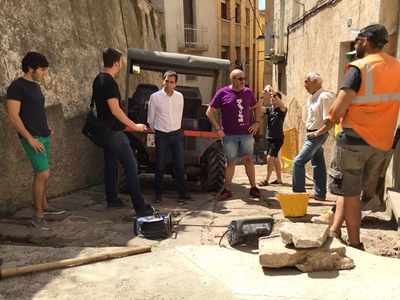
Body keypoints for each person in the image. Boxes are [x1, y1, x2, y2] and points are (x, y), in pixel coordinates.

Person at [325, 24, 400, 250]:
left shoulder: (359, 68)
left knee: (350, 195)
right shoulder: (397, 67)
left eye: (357, 40)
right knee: (350, 190)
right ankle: (334, 230)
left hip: (353, 142)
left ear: (365, 41)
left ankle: (356, 243)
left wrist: (333, 118)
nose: (355, 44)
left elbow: (338, 109)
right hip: (381, 144)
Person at [92, 47, 154, 215]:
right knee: (131, 165)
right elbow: (115, 110)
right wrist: (135, 126)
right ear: (117, 62)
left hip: (104, 131)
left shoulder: (98, 79)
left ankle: (112, 200)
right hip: (114, 132)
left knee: (111, 166)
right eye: (121, 61)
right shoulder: (110, 82)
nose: (121, 64)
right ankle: (140, 207)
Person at [7, 51, 65, 230]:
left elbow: (38, 109)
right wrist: (30, 139)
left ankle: (45, 207)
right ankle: (38, 215)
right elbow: (13, 116)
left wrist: (47, 125)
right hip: (32, 138)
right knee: (43, 174)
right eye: (42, 70)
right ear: (30, 68)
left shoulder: (35, 85)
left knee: (44, 174)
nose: (45, 74)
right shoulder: (17, 87)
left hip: (44, 135)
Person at [206, 69, 263, 200]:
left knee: (248, 160)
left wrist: (257, 122)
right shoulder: (222, 93)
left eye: (244, 78)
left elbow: (256, 107)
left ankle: (253, 188)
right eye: (240, 79)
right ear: (232, 79)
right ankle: (227, 189)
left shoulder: (248, 92)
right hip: (229, 135)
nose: (243, 81)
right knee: (230, 162)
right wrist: (218, 129)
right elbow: (209, 111)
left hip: (246, 134)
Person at [147, 70, 194, 203]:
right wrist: (158, 132)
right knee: (160, 165)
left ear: (176, 84)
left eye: (171, 82)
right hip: (161, 135)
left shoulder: (180, 97)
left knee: (179, 165)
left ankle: (182, 193)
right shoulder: (155, 97)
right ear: (163, 81)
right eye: (166, 81)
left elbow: (180, 113)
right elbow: (151, 119)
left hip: (177, 134)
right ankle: (158, 194)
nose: (168, 84)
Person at [292, 72, 334, 201]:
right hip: (310, 133)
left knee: (298, 162)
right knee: (318, 163)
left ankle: (299, 195)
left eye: (306, 82)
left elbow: (331, 121)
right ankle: (320, 193)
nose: (304, 85)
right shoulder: (312, 96)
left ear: (316, 82)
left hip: (317, 135)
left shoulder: (324, 97)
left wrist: (316, 134)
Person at [258, 85, 287, 186]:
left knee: (270, 158)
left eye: (274, 98)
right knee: (275, 159)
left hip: (278, 138)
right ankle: (279, 179)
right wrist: (262, 97)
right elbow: (259, 109)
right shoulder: (270, 110)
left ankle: (266, 179)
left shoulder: (282, 110)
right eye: (271, 98)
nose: (272, 99)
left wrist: (274, 93)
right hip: (269, 137)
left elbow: (282, 106)